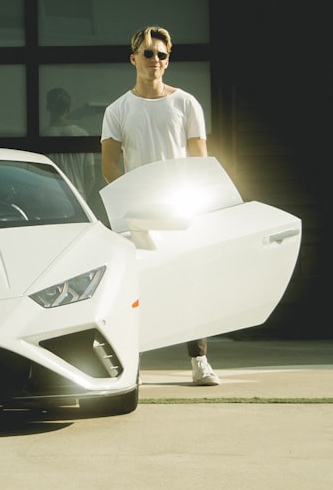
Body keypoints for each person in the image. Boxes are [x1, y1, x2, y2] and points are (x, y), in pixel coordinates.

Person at [100, 25, 220, 386]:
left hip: (181, 209)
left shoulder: (185, 103)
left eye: (162, 55)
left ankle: (200, 361)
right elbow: (109, 166)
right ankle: (130, 367)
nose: (155, 60)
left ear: (168, 61)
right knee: (137, 289)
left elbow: (200, 157)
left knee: (189, 283)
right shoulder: (117, 109)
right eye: (148, 53)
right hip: (139, 215)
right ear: (134, 58)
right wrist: (130, 200)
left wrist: (202, 201)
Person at [42, 87, 95, 199]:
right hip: (77, 196)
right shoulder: (82, 135)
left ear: (48, 107)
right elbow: (90, 177)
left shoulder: (43, 137)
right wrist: (82, 199)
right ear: (68, 109)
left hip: (53, 197)